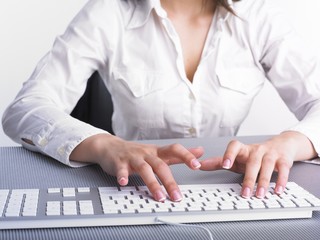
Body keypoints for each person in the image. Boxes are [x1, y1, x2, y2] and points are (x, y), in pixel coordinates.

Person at [2, 0, 319, 203]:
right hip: (135, 189)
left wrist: (293, 141)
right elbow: (26, 107)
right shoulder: (110, 12)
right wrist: (103, 145)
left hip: (232, 188)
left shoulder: (258, 16)